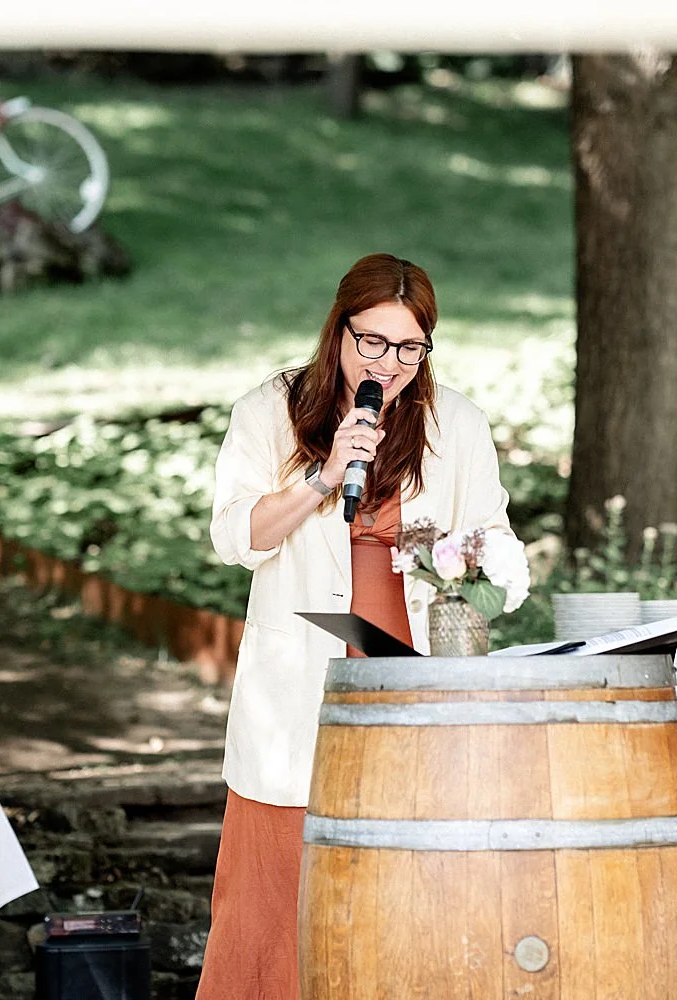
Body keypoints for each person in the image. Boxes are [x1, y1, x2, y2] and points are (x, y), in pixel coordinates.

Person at [200, 252, 513, 999]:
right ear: (337, 332)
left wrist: (465, 565)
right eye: (372, 341)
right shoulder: (268, 411)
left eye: (410, 346)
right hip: (299, 686)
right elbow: (236, 537)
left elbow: (495, 546)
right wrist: (322, 473)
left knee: (404, 892)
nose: (390, 362)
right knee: (275, 899)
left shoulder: (457, 424)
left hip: (410, 687)